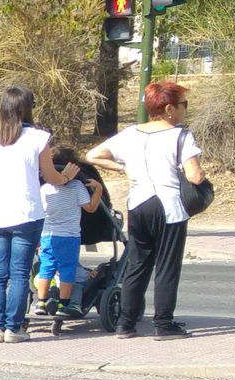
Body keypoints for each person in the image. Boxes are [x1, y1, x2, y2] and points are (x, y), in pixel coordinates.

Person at [87, 79, 207, 339]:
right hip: (169, 206)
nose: (185, 109)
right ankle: (163, 324)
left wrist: (123, 168)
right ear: (168, 109)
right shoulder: (181, 135)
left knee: (137, 264)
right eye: (182, 104)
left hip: (138, 204)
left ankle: (125, 324)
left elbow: (92, 155)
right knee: (167, 266)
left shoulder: (131, 134)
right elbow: (195, 176)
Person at [0, 86, 60, 341]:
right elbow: (50, 175)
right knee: (20, 273)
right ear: (27, 108)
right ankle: (14, 327)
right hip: (26, 211)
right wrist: (67, 177)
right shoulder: (38, 138)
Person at [34, 145, 103, 319]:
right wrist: (98, 190)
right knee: (67, 269)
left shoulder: (45, 189)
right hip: (69, 236)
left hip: (47, 235)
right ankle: (63, 304)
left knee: (46, 267)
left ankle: (41, 302)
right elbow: (91, 208)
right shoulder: (77, 187)